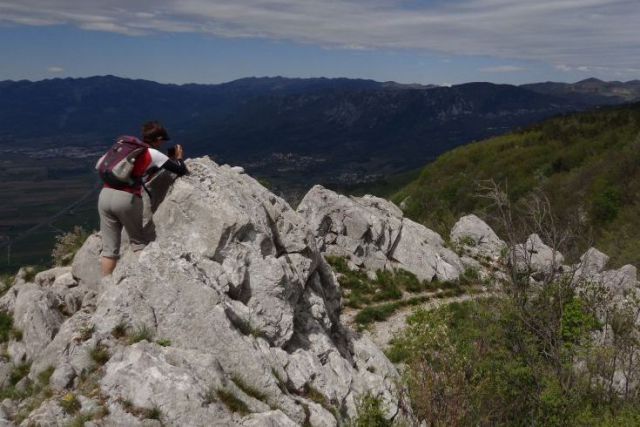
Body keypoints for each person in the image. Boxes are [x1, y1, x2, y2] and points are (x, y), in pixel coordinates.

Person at [98, 121, 188, 276]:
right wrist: (179, 157)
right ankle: (145, 281)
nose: (162, 143)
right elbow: (181, 170)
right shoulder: (153, 154)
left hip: (105, 195)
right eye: (162, 141)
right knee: (138, 243)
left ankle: (105, 289)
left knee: (109, 250)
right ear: (158, 139)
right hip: (126, 198)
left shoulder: (125, 149)